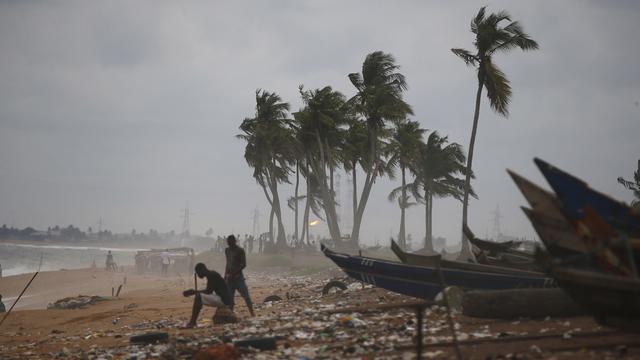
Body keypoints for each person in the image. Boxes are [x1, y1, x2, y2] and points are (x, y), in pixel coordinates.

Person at [182, 263, 232, 328]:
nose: (198, 275)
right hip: (223, 298)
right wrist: (194, 292)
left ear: (202, 270)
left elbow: (208, 291)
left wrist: (193, 292)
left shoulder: (211, 275)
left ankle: (192, 322)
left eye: (198, 272)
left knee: (198, 297)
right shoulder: (211, 274)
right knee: (199, 295)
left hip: (223, 300)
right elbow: (209, 290)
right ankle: (193, 321)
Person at [224, 235, 254, 316]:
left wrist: (234, 273)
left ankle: (252, 313)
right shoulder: (227, 250)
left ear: (234, 241)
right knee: (230, 299)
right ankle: (230, 315)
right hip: (229, 278)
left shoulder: (240, 250)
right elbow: (228, 264)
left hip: (238, 278)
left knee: (246, 296)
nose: (229, 244)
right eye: (228, 242)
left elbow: (243, 264)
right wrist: (225, 277)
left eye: (230, 242)